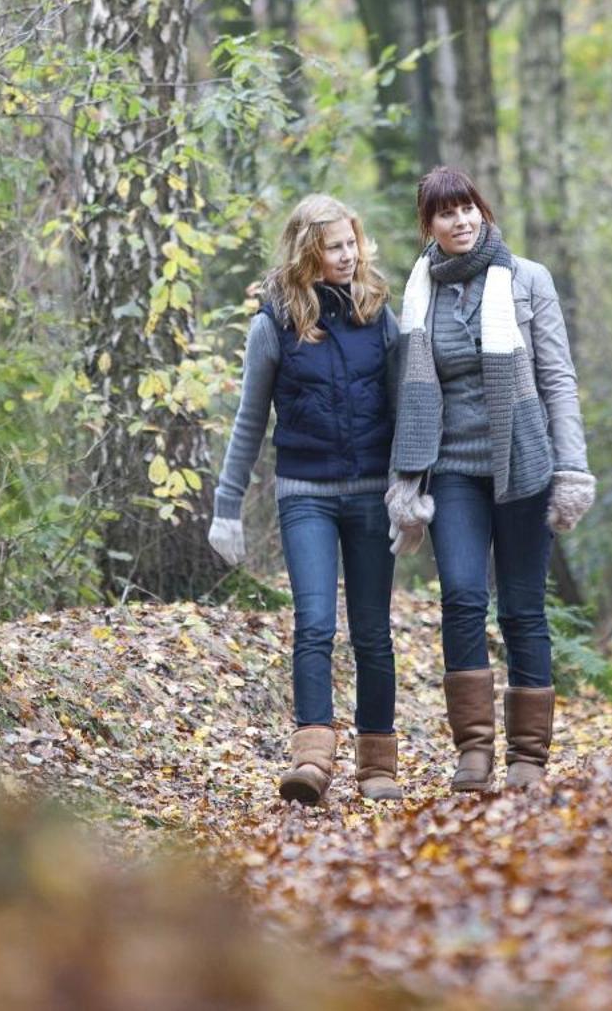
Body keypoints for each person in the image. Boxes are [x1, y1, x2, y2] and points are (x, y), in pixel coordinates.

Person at [386, 167, 595, 792]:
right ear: (430, 225)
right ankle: (473, 752)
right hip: (452, 469)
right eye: (446, 213)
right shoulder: (419, 291)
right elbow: (408, 393)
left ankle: (528, 756)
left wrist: (572, 466)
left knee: (524, 608)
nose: (461, 221)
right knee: (462, 599)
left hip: (525, 464)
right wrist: (405, 476)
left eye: (469, 207)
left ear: (483, 210)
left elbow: (558, 379)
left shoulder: (529, 280)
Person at [207, 194, 404, 804]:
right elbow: (248, 420)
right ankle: (313, 760)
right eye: (334, 248)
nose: (348, 256)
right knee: (314, 624)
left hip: (373, 493)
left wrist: (412, 487)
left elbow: (407, 409)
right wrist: (226, 506)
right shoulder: (274, 324)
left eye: (353, 244)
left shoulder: (381, 315)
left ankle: (378, 763)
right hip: (306, 494)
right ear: (306, 253)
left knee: (372, 631)